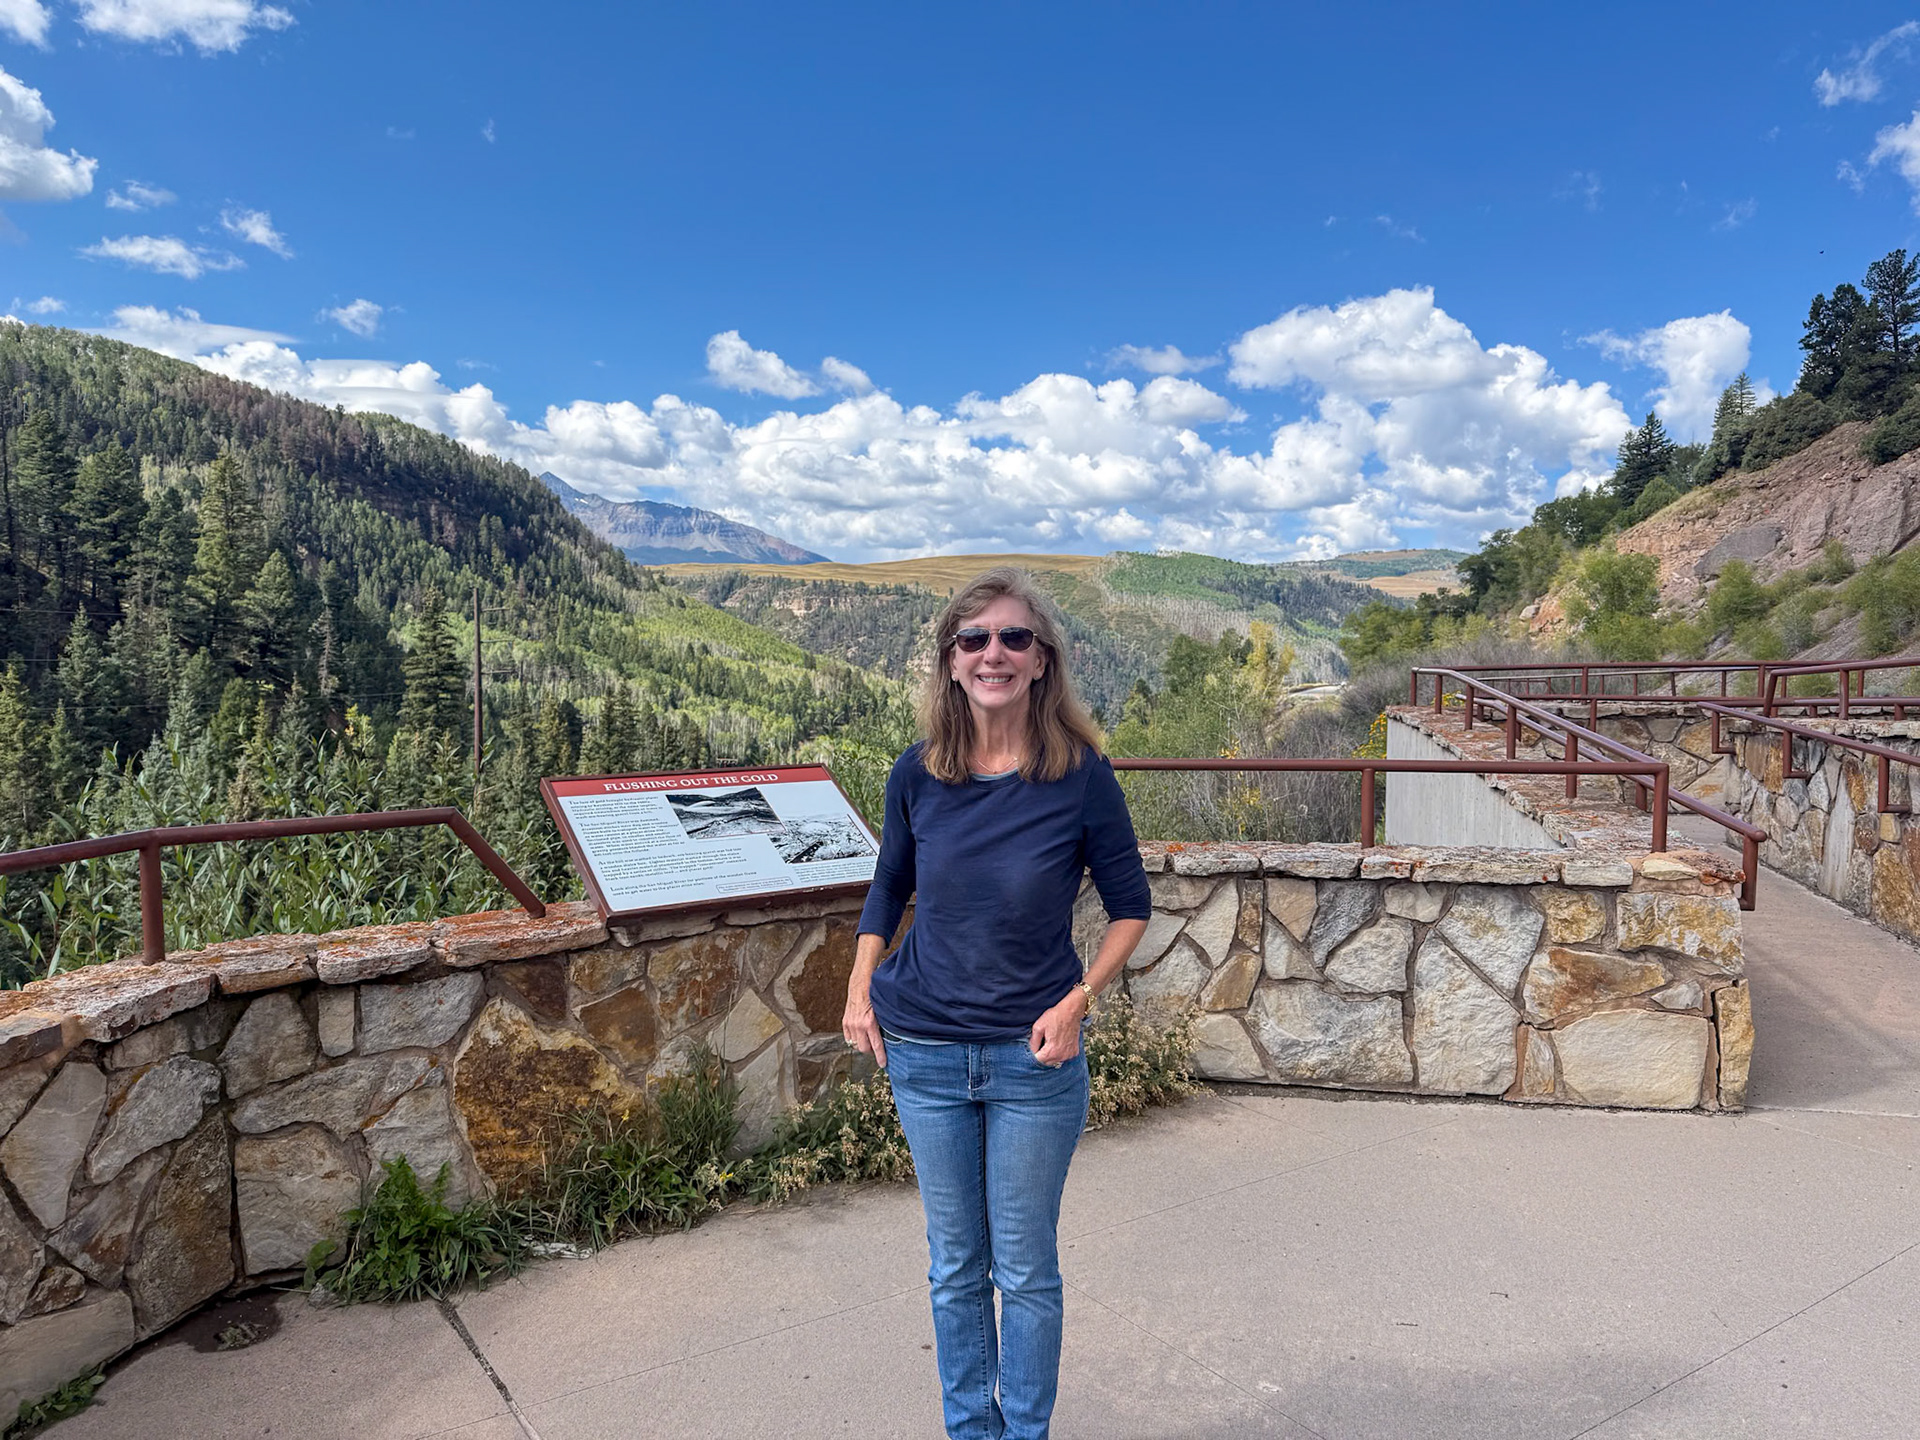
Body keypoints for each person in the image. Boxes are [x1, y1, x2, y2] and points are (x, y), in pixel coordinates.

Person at [843, 566, 1151, 1440]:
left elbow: (1131, 907)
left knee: (1025, 1272)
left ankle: (1026, 1433)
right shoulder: (918, 774)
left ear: (1043, 659)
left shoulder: (1082, 777)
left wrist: (1080, 998)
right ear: (949, 663)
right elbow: (889, 886)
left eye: (1015, 638)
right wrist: (861, 987)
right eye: (974, 640)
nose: (994, 654)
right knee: (954, 1268)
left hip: (1033, 1059)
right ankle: (969, 1432)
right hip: (925, 1054)